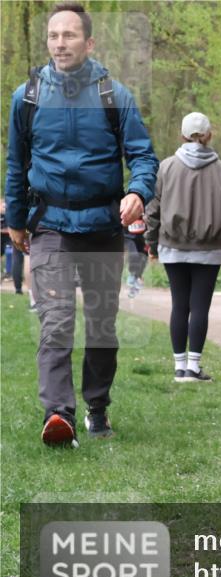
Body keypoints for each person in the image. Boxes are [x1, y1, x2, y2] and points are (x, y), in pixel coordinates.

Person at [4, 2, 159, 447]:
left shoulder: (115, 95)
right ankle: (59, 416)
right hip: (50, 224)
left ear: (88, 42)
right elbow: (17, 164)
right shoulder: (27, 97)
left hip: (102, 225)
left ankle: (97, 407)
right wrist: (16, 219)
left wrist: (138, 191)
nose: (59, 43)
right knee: (55, 320)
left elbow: (144, 157)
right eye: (53, 35)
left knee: (102, 324)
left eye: (69, 35)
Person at [145, 111, 221, 381]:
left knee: (179, 305)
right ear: (209, 135)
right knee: (199, 306)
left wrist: (151, 243)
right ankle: (194, 366)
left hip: (172, 245)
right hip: (209, 248)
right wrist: (218, 222)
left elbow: (153, 209)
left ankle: (179, 367)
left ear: (182, 135)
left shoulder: (165, 167)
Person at [123, 213, 148, 299]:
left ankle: (136, 284)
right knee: (133, 254)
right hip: (128, 234)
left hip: (144, 235)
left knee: (143, 259)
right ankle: (132, 274)